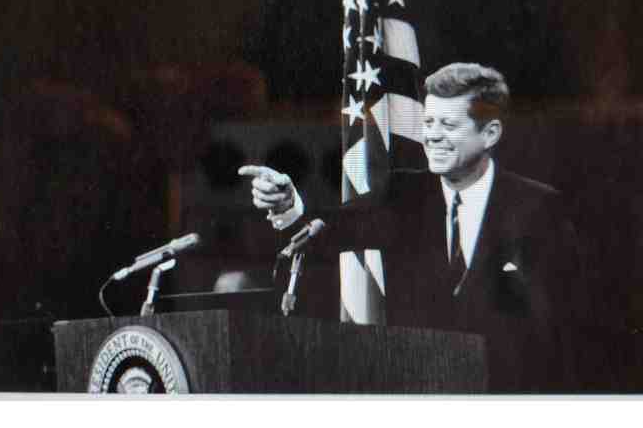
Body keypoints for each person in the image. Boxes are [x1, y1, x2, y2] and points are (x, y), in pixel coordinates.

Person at [239, 62, 582, 392]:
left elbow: (564, 330)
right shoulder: (403, 195)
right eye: (428, 122)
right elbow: (333, 228)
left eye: (448, 125)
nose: (432, 136)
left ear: (490, 133)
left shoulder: (537, 209)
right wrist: (288, 205)